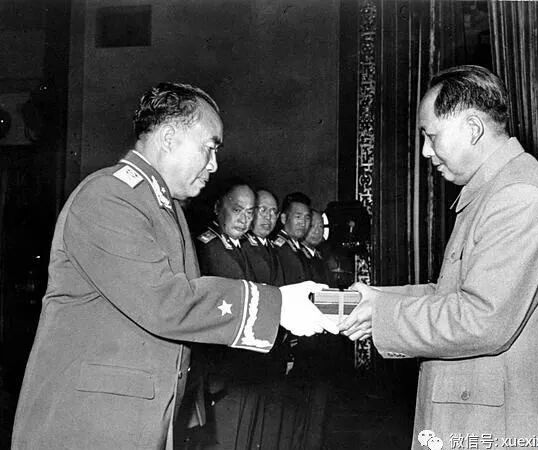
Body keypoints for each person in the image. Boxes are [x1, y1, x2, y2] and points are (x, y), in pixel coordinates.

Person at [11, 82, 337, 450]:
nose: (214, 164)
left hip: (136, 420)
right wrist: (277, 306)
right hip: (89, 424)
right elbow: (164, 300)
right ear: (169, 138)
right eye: (209, 148)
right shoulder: (108, 196)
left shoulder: (166, 209)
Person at [340, 66, 538, 445]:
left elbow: (482, 319)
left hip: (512, 429)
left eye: (431, 136)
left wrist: (382, 315)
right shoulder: (496, 190)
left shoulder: (519, 197)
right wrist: (379, 299)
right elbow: (456, 295)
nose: (426, 151)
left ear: (473, 129)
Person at [196, 183, 256, 280]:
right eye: (237, 210)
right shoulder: (211, 247)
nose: (243, 220)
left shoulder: (245, 244)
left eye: (249, 212)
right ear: (217, 207)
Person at [241, 189, 285, 287]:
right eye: (263, 210)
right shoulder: (242, 245)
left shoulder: (273, 247)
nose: (268, 217)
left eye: (273, 211)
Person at [273, 192, 312, 284]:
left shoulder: (300, 248)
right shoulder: (278, 248)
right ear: (283, 218)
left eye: (307, 218)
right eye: (298, 217)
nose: (303, 223)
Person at [300, 209, 331, 285]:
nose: (317, 231)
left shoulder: (321, 256)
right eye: (312, 226)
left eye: (321, 226)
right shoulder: (296, 255)